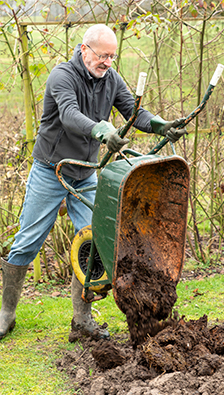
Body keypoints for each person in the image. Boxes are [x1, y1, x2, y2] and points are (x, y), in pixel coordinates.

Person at [0, 24, 187, 341]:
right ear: (84, 49)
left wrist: (160, 125)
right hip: (52, 169)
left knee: (95, 241)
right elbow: (70, 115)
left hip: (86, 173)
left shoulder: (111, 79)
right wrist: (102, 131)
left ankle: (82, 320)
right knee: (28, 241)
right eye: (103, 55)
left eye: (113, 56)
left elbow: (133, 112)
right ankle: (6, 312)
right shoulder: (63, 77)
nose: (108, 63)